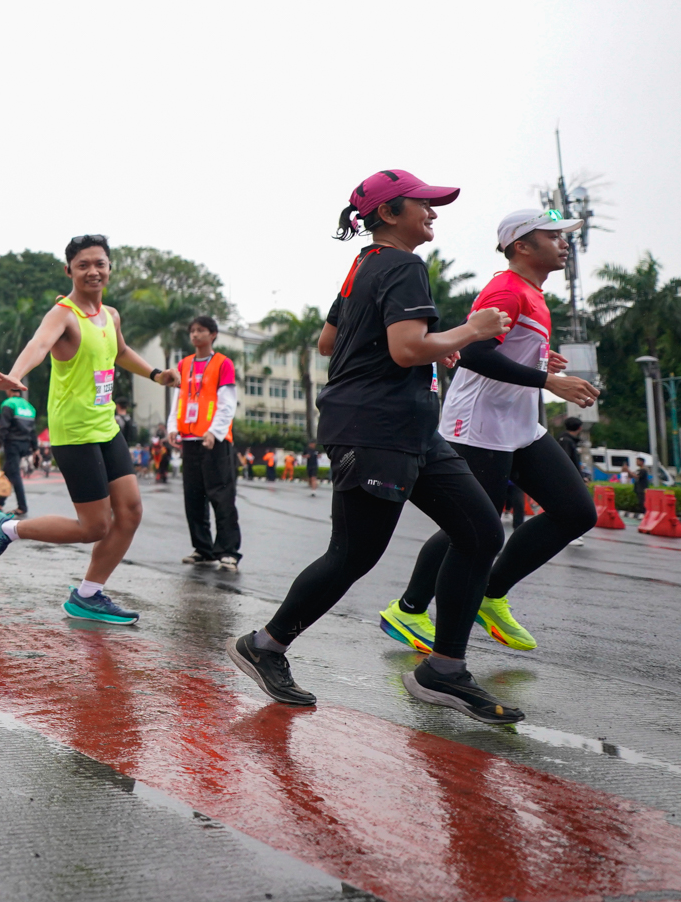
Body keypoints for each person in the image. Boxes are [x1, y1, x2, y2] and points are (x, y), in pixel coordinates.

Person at [229, 170, 522, 725]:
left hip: (411, 430)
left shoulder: (363, 265)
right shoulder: (403, 265)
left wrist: (431, 345)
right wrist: (470, 330)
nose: (433, 213)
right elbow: (406, 349)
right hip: (376, 429)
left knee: (481, 532)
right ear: (388, 213)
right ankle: (265, 645)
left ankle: (445, 669)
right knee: (354, 554)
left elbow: (329, 341)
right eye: (423, 204)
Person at [377, 209, 600, 656]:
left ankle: (491, 592)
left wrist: (541, 358)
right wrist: (548, 380)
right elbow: (475, 354)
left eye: (564, 236)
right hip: (478, 424)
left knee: (576, 513)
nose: (564, 243)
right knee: (472, 527)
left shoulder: (533, 293)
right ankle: (409, 609)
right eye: (553, 236)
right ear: (522, 246)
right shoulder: (506, 288)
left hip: (518, 424)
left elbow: (503, 346)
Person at [0, 234, 179, 623]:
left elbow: (120, 352)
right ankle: (6, 528)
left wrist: (156, 374)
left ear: (110, 267)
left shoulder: (111, 315)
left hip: (106, 427)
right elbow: (38, 344)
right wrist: (16, 375)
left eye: (99, 263)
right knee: (94, 526)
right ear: (69, 271)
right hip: (74, 432)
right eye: (83, 265)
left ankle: (88, 595)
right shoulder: (63, 314)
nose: (93, 271)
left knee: (130, 512)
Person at [171, 315, 240, 571]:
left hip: (214, 440)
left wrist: (214, 431)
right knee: (193, 497)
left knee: (221, 496)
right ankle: (203, 549)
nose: (195, 334)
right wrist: (172, 427)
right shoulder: (184, 364)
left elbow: (227, 403)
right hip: (190, 439)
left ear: (213, 334)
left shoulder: (223, 363)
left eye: (200, 330)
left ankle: (228, 551)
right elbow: (178, 398)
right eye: (192, 330)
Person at [0, 387, 38, 516]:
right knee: (8, 472)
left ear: (8, 390)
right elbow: (33, 430)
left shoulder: (9, 404)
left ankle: (22, 507)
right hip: (25, 444)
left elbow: (4, 426)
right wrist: (35, 449)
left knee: (14, 474)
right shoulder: (29, 407)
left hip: (12, 444)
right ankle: (0, 503)